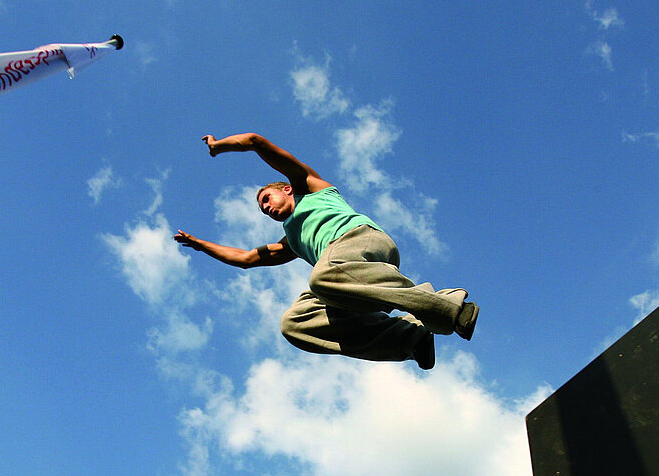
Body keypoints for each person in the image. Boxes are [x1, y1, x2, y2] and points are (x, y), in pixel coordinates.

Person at [173, 132, 477, 370]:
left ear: (286, 189)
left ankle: (447, 307)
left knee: (321, 275)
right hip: (346, 278)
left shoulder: (311, 187)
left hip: (361, 241)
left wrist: (218, 146)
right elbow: (245, 259)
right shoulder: (291, 240)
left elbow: (256, 142)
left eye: (266, 199)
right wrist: (200, 244)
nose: (265, 209)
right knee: (295, 322)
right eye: (262, 210)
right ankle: (411, 338)